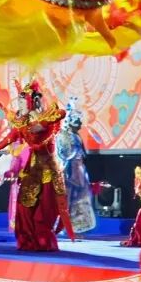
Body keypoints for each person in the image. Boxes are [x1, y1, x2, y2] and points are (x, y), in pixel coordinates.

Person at [0, 79, 73, 251]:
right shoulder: (22, 125)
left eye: (21, 102)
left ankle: (43, 241)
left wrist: (42, 125)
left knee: (44, 210)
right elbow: (4, 142)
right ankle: (28, 240)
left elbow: (61, 112)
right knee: (24, 207)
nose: (19, 105)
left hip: (49, 170)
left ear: (32, 102)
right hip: (32, 170)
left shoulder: (47, 118)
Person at [56, 98, 97, 236]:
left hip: (79, 170)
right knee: (68, 198)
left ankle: (77, 227)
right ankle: (65, 227)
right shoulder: (63, 135)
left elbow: (82, 153)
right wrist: (72, 159)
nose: (79, 124)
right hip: (69, 170)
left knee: (81, 197)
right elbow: (63, 153)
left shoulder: (76, 135)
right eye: (76, 120)